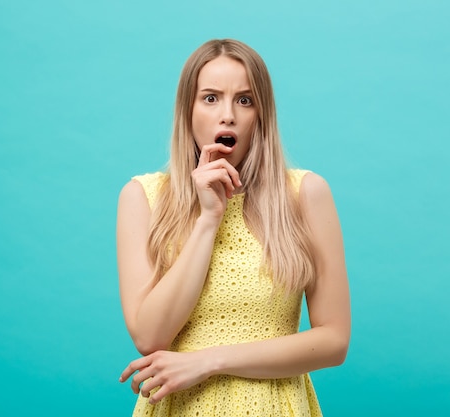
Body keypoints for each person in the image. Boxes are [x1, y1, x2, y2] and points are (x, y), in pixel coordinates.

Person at [117, 38, 350, 417]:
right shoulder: (142, 197)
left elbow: (334, 341)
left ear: (261, 113)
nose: (227, 115)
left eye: (244, 100)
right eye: (210, 98)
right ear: (187, 111)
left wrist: (207, 361)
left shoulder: (305, 193)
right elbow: (149, 336)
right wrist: (209, 219)